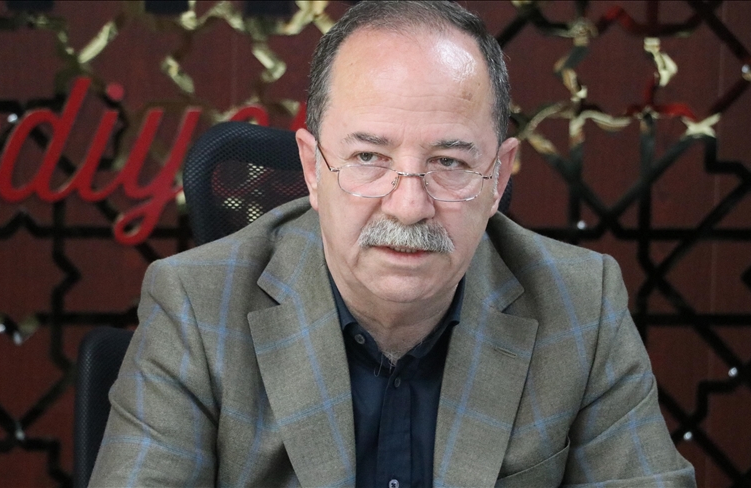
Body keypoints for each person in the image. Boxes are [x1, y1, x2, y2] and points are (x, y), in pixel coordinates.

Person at [89, 2, 695, 487]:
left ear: (498, 176)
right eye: (369, 158)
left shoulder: (582, 307)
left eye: (449, 162)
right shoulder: (194, 306)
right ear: (312, 169)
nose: (409, 205)